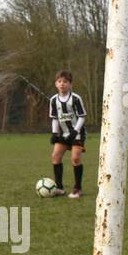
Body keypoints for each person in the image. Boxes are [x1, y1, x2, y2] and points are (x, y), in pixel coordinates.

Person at [48, 70, 87, 198]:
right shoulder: (53, 100)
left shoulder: (76, 99)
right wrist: (55, 133)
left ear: (70, 84)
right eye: (59, 81)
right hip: (63, 134)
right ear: (56, 84)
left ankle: (77, 189)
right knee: (55, 156)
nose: (62, 84)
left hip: (77, 134)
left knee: (75, 158)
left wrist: (75, 131)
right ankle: (59, 188)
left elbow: (81, 117)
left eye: (65, 81)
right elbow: (54, 118)